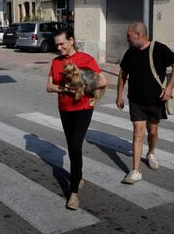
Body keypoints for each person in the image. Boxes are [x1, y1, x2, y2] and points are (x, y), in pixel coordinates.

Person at [46, 27, 107, 210]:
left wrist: (83, 82)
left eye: (62, 44)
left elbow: (103, 81)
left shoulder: (86, 59)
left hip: (83, 108)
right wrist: (62, 89)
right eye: (57, 45)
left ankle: (73, 193)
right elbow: (49, 86)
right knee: (72, 148)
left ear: (71, 40)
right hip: (64, 109)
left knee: (75, 145)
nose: (59, 48)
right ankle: (78, 176)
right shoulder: (56, 62)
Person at [116, 22, 174, 184]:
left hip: (155, 100)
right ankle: (136, 170)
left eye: (129, 36)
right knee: (138, 133)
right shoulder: (130, 52)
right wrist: (119, 95)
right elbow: (122, 74)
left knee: (152, 131)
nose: (127, 39)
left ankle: (151, 153)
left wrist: (170, 88)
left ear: (139, 35)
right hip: (136, 100)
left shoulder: (159, 48)